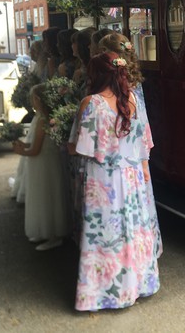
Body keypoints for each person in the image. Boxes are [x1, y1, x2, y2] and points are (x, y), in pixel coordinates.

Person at [70, 51, 161, 311]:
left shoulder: (91, 103)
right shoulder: (132, 99)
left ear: (96, 74)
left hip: (104, 180)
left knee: (106, 234)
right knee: (131, 231)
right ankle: (139, 284)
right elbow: (145, 143)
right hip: (132, 179)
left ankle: (105, 294)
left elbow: (82, 147)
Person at [12, 83, 70, 251]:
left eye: (32, 98)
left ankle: (52, 235)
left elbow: (36, 150)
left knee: (46, 197)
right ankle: (44, 231)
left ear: (37, 99)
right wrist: (24, 144)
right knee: (45, 196)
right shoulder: (43, 117)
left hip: (44, 163)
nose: (31, 102)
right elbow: (36, 144)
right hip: (45, 162)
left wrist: (20, 151)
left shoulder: (43, 119)